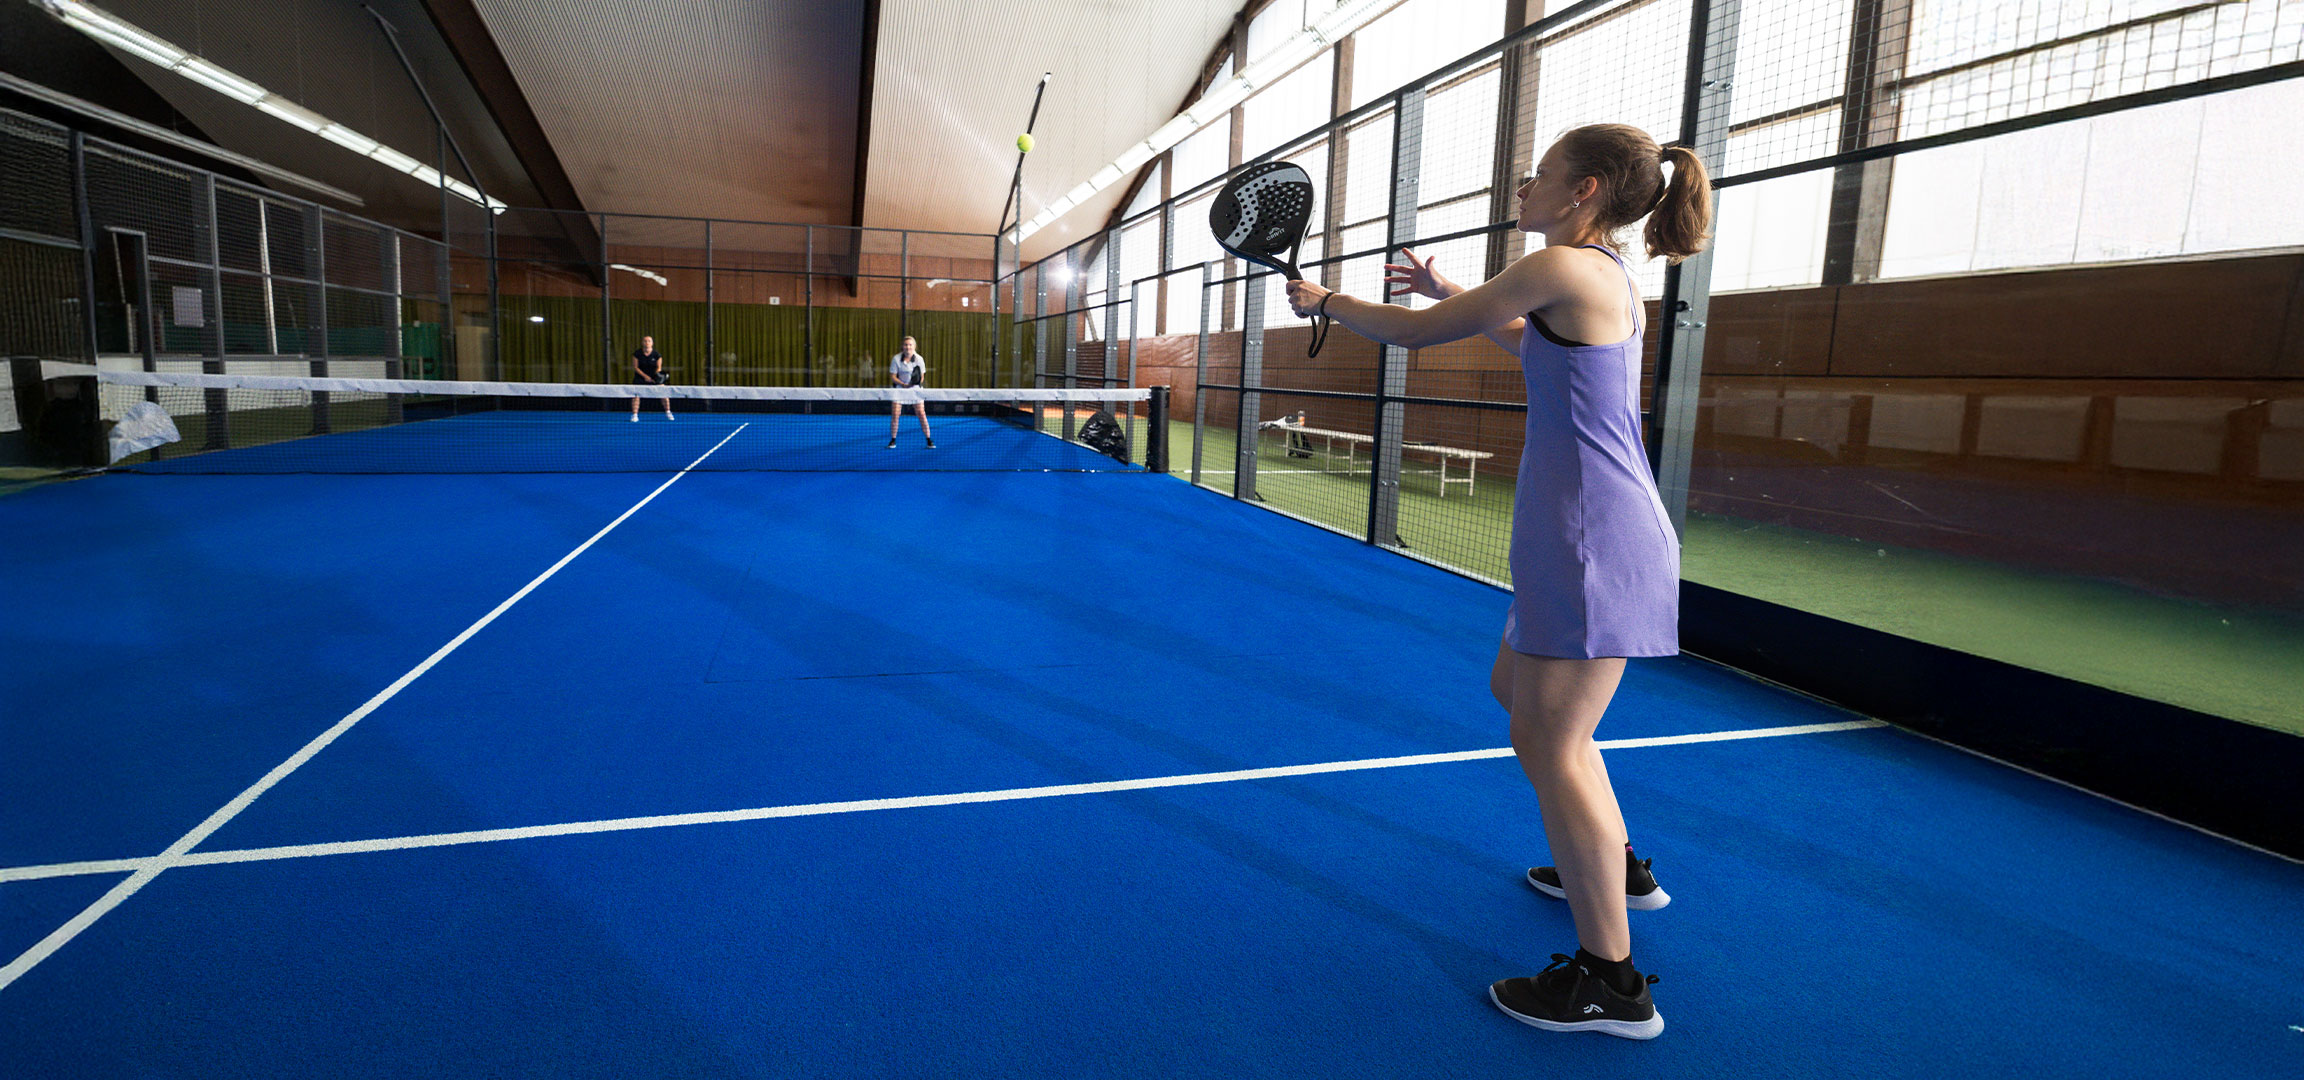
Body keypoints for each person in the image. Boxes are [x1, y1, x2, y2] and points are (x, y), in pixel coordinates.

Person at [1284, 124, 1711, 1040]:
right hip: (1580, 535)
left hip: (1595, 542)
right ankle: (1615, 868)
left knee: (1553, 743)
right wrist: (1450, 288)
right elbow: (1532, 347)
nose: (1525, 186)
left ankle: (1611, 983)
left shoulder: (1564, 266)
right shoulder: (1592, 275)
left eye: (1541, 175)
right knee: (1517, 694)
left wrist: (1329, 300)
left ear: (1584, 189)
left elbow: (1419, 334)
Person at [887, 335, 933, 448]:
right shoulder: (896, 359)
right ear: (902, 347)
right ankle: (893, 440)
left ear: (914, 346)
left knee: (921, 414)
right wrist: (903, 384)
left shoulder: (919, 359)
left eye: (910, 345)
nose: (908, 347)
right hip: (900, 389)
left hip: (915, 389)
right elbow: (893, 376)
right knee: (895, 414)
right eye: (906, 345)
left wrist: (913, 383)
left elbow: (921, 377)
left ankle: (929, 439)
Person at [630, 335, 673, 421]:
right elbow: (635, 367)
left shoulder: (657, 355)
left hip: (654, 377)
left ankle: (668, 412)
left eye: (649, 341)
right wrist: (645, 377)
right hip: (640, 377)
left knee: (664, 393)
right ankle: (634, 415)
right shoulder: (637, 354)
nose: (647, 343)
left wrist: (655, 377)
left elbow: (658, 367)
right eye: (645, 341)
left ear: (652, 343)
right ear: (642, 343)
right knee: (636, 395)